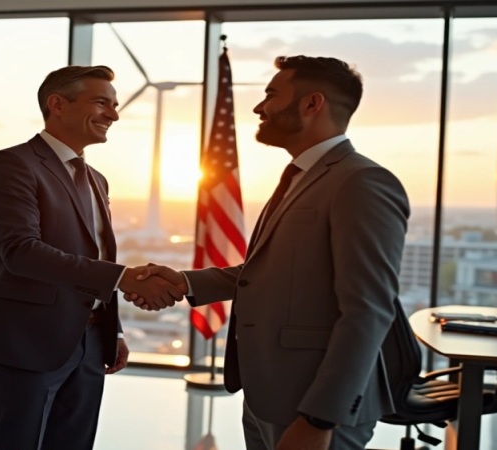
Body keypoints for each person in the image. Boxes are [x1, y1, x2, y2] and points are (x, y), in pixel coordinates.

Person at [131, 56, 409, 450]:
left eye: (271, 94)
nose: (260, 107)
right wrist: (186, 281)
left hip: (315, 406)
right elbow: (269, 271)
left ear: (313, 104)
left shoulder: (361, 182)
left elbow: (368, 309)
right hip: (270, 393)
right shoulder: (302, 176)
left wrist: (320, 417)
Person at [0, 65, 182, 450]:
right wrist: (122, 278)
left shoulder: (97, 178)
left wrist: (111, 330)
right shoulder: (11, 164)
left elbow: (92, 255)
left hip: (91, 342)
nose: (114, 114)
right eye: (101, 102)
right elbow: (21, 252)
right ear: (57, 104)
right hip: (26, 341)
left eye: (114, 105)